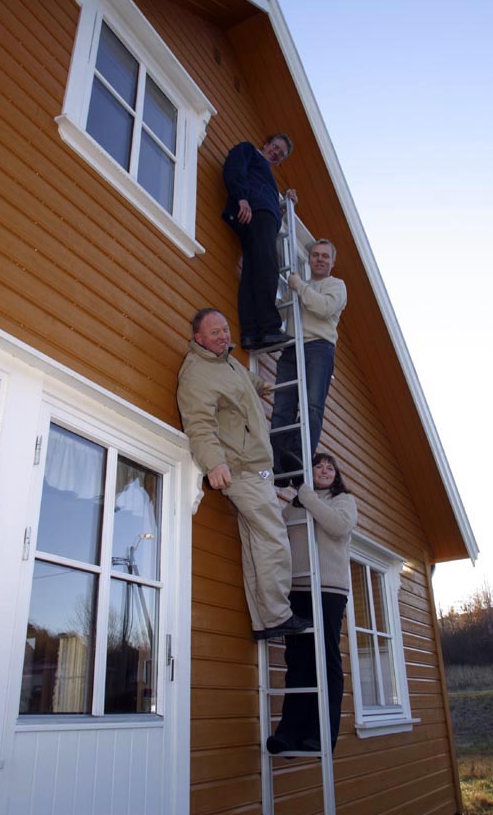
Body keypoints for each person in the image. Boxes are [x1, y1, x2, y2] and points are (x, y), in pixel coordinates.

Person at [176, 308, 312, 640]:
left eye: (225, 330)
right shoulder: (197, 374)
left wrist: (261, 385)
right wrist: (214, 463)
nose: (223, 336)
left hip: (254, 466)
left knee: (258, 541)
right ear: (199, 339)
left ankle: (267, 620)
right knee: (273, 538)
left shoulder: (227, 362)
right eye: (215, 333)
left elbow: (242, 383)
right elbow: (199, 426)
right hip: (242, 468)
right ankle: (278, 615)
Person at [266, 453, 357, 755]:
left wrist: (305, 494)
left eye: (331, 466)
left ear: (336, 474)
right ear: (310, 471)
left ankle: (323, 734)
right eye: (319, 465)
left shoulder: (342, 500)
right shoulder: (295, 504)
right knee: (298, 662)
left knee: (326, 659)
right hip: (298, 589)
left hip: (329, 590)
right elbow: (279, 535)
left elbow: (338, 527)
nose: (325, 470)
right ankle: (290, 734)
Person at [270, 239, 347, 484]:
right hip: (293, 347)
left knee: (312, 406)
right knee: (282, 405)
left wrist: (299, 287)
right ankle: (279, 465)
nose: (320, 259)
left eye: (325, 256)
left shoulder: (335, 285)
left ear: (332, 262)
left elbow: (323, 308)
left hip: (318, 348)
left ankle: (299, 457)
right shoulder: (299, 288)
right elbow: (281, 311)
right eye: (315, 255)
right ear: (310, 258)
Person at [222, 134, 297, 350]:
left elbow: (266, 200)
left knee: (253, 273)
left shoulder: (269, 181)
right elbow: (234, 169)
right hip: (255, 212)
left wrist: (284, 206)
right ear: (265, 145)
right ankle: (269, 328)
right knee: (267, 267)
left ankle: (250, 334)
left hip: (264, 217)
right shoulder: (248, 151)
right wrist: (241, 198)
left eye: (281, 154)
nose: (276, 153)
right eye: (275, 147)